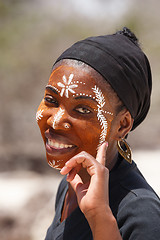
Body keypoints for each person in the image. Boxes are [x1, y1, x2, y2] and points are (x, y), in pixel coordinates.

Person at [36, 27, 160, 240]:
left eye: (83, 110)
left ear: (122, 125)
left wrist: (99, 217)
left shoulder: (142, 216)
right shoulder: (72, 183)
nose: (55, 122)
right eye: (51, 101)